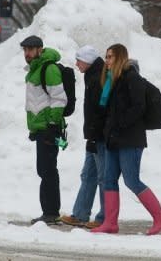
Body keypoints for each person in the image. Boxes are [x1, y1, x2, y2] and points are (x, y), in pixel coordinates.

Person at [91, 43, 161, 235]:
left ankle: (160, 216)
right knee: (109, 179)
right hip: (113, 138)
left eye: (110, 57)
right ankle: (110, 223)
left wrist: (120, 124)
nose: (107, 61)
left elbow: (138, 107)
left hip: (130, 139)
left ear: (120, 58)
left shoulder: (132, 77)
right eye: (106, 56)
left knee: (132, 180)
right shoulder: (112, 80)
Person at [21, 35, 67, 226]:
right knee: (44, 169)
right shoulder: (35, 70)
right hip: (41, 129)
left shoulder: (49, 68)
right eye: (25, 50)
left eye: (31, 50)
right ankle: (48, 211)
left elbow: (59, 99)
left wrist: (52, 125)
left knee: (48, 170)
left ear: (40, 49)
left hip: (49, 129)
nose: (27, 53)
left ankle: (51, 212)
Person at [60, 45, 106, 229]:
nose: (76, 63)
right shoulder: (91, 76)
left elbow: (100, 111)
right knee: (88, 175)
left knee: (103, 178)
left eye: (79, 59)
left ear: (87, 60)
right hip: (93, 136)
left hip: (100, 137)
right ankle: (80, 214)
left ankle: (104, 218)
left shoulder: (98, 79)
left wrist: (95, 136)